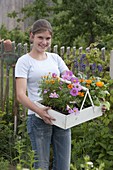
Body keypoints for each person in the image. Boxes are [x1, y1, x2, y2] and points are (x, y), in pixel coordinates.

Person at [15, 19, 71, 170]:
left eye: (48, 38)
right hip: (38, 118)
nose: (44, 42)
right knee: (41, 166)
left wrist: (96, 102)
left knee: (63, 166)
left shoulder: (55, 59)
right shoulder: (24, 61)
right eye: (40, 37)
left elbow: (72, 82)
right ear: (32, 36)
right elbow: (20, 94)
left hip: (61, 116)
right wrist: (40, 111)